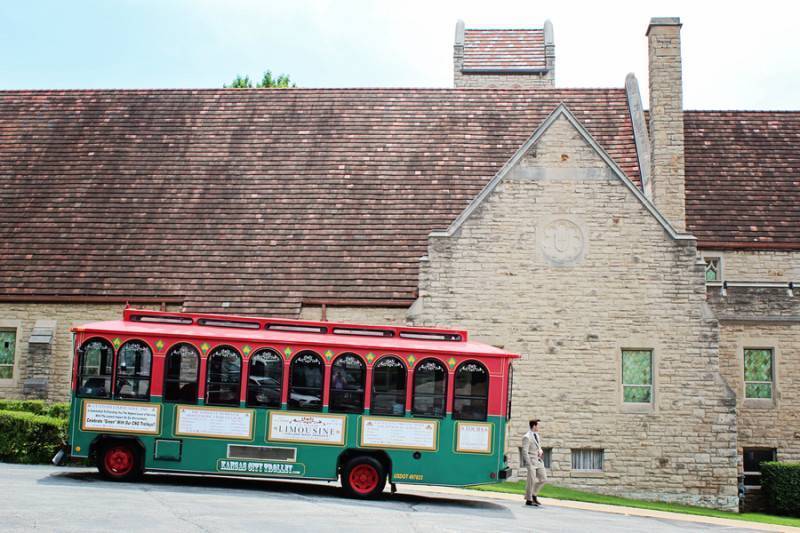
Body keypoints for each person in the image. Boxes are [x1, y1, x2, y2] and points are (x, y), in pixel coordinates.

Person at [522, 419, 547, 506]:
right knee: (531, 481)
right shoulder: (527, 437)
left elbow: (538, 445)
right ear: (534, 426)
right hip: (531, 462)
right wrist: (528, 463)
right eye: (538, 425)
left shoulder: (536, 435)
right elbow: (524, 451)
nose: (539, 427)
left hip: (538, 461)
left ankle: (534, 494)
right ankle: (529, 500)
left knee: (543, 479)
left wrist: (540, 450)